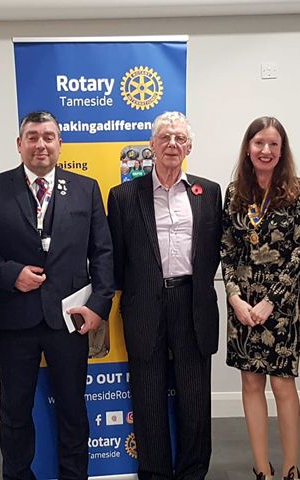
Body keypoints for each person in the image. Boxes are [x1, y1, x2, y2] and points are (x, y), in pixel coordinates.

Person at [0, 111, 114, 480]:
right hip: (13, 318)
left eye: (48, 136)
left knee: (72, 408)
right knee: (15, 411)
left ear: (60, 144)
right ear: (19, 145)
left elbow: (103, 252)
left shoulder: (86, 188)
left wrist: (98, 305)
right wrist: (9, 273)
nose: (40, 144)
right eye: (32, 137)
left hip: (70, 319)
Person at [107, 111, 222, 480]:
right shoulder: (124, 196)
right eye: (165, 138)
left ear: (189, 147)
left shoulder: (209, 192)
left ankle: (192, 471)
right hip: (144, 306)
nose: (173, 144)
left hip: (192, 302)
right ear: (152, 146)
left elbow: (215, 249)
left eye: (180, 139)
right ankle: (154, 472)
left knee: (194, 396)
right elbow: (117, 257)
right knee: (148, 396)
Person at [221, 117, 300, 480]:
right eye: (259, 143)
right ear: (248, 147)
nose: (266, 150)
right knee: (251, 382)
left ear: (282, 150)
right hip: (243, 303)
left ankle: (291, 468)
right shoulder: (235, 193)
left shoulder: (298, 191)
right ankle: (263, 469)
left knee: (282, 383)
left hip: (283, 302)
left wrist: (271, 301)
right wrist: (235, 299)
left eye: (273, 144)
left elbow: (299, 253)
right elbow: (226, 248)